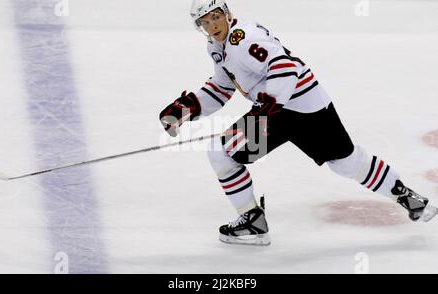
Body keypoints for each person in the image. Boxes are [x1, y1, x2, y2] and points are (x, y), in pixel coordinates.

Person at [159, 0, 437, 246]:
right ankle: (406, 196)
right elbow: (222, 88)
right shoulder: (217, 47)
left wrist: (272, 102)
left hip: (284, 113)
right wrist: (187, 108)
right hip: (309, 106)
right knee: (346, 162)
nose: (212, 24)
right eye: (205, 22)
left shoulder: (242, 38)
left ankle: (253, 223)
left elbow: (284, 66)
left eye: (216, 16)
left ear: (227, 13)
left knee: (222, 154)